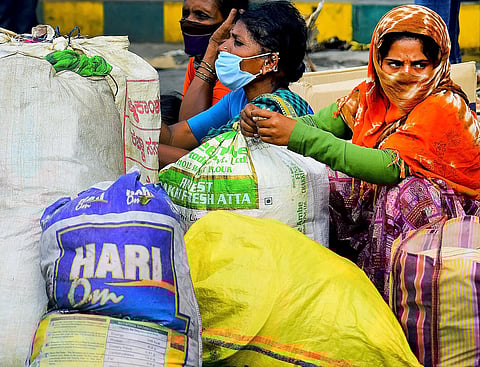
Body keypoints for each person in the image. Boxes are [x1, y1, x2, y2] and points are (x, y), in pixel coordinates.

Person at [240, 4, 480, 298]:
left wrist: (298, 136)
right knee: (322, 178)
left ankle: (388, 297)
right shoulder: (371, 94)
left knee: (403, 193)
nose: (406, 74)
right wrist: (268, 124)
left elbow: (388, 167)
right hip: (381, 210)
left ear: (438, 63)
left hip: (448, 220)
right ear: (378, 61)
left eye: (419, 64)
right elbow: (322, 124)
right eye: (394, 63)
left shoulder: (445, 105)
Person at [159, 0, 311, 168]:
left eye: (237, 42)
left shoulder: (271, 109)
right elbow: (176, 137)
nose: (222, 47)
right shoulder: (238, 97)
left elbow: (204, 164)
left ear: (269, 62)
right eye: (227, 39)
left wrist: (140, 149)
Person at [179, 0, 248, 121]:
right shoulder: (196, 61)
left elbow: (191, 127)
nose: (189, 20)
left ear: (231, 21)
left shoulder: (236, 67)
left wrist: (213, 47)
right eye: (185, 13)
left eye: (201, 15)